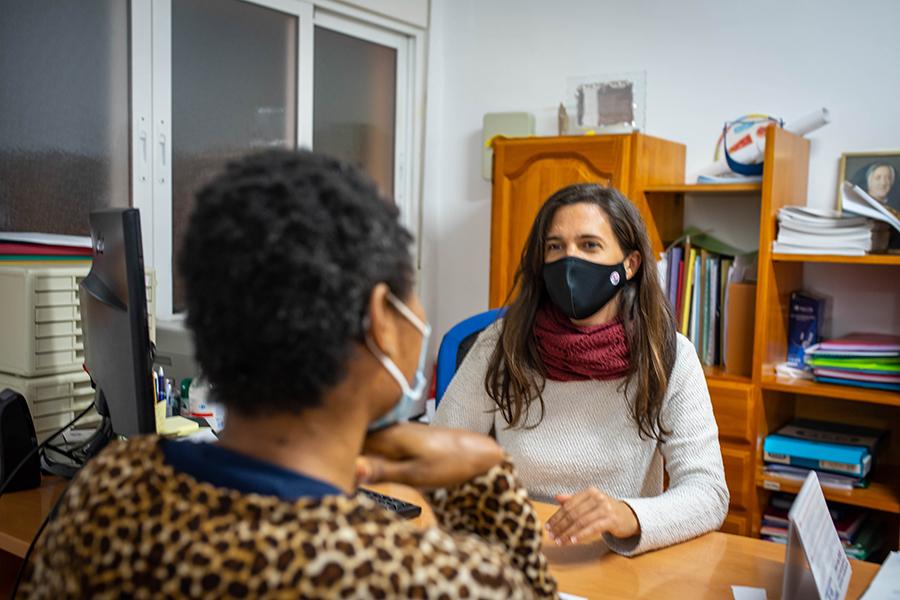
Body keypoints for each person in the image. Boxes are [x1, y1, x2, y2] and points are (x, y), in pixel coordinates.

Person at [21, 150, 557, 598]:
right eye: (411, 292)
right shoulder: (429, 580)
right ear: (380, 320)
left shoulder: (108, 490)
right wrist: (485, 481)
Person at [434, 183, 729, 556]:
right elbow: (440, 450)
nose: (569, 261)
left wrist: (628, 516)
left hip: (617, 563)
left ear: (630, 264)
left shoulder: (668, 355)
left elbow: (708, 491)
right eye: (556, 247)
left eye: (589, 245)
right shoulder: (503, 344)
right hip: (514, 553)